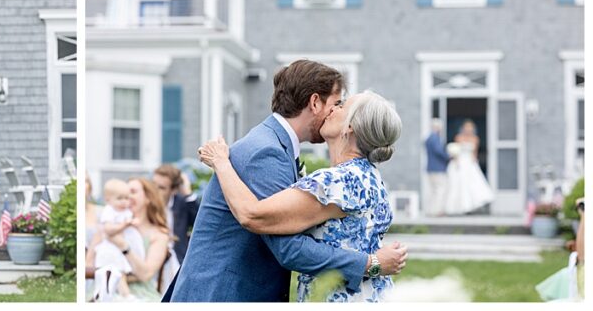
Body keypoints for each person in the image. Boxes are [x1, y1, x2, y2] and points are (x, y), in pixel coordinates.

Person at [165, 60, 407, 302]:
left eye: (341, 107)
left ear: (351, 128)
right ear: (314, 102)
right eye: (336, 103)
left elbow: (257, 217)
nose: (334, 110)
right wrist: (371, 263)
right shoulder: (266, 151)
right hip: (221, 294)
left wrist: (222, 163)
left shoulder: (338, 178)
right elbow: (287, 245)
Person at [94, 178, 175, 302]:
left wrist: (122, 245)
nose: (127, 197)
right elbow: (89, 264)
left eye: (132, 192)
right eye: (122, 194)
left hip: (140, 294)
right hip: (104, 289)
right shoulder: (109, 226)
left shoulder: (159, 235)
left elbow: (145, 275)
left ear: (148, 198)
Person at [92, 179, 141, 299]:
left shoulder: (125, 212)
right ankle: (116, 294)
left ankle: (123, 294)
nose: (124, 202)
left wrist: (133, 223)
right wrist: (125, 225)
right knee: (112, 273)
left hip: (118, 251)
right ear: (108, 199)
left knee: (120, 273)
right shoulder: (109, 211)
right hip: (109, 250)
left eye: (126, 198)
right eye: (120, 198)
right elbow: (108, 229)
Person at [442, 119, 494, 215]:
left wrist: (474, 164)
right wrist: (456, 162)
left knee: (472, 184)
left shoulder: (475, 139)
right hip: (460, 162)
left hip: (469, 163)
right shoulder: (459, 137)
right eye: (466, 128)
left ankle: (470, 206)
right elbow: (456, 151)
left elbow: (474, 154)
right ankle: (458, 207)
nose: (468, 130)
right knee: (459, 184)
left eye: (470, 128)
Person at [152, 165, 199, 263]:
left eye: (161, 188)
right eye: (153, 185)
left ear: (173, 190)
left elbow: (199, 223)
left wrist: (187, 192)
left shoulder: (182, 204)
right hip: (151, 259)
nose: (154, 191)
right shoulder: (145, 203)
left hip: (177, 261)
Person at [424, 119, 450, 216]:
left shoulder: (428, 138)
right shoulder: (435, 138)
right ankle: (437, 211)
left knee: (433, 190)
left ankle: (430, 210)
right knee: (440, 190)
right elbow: (438, 151)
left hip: (430, 168)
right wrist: (449, 156)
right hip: (438, 168)